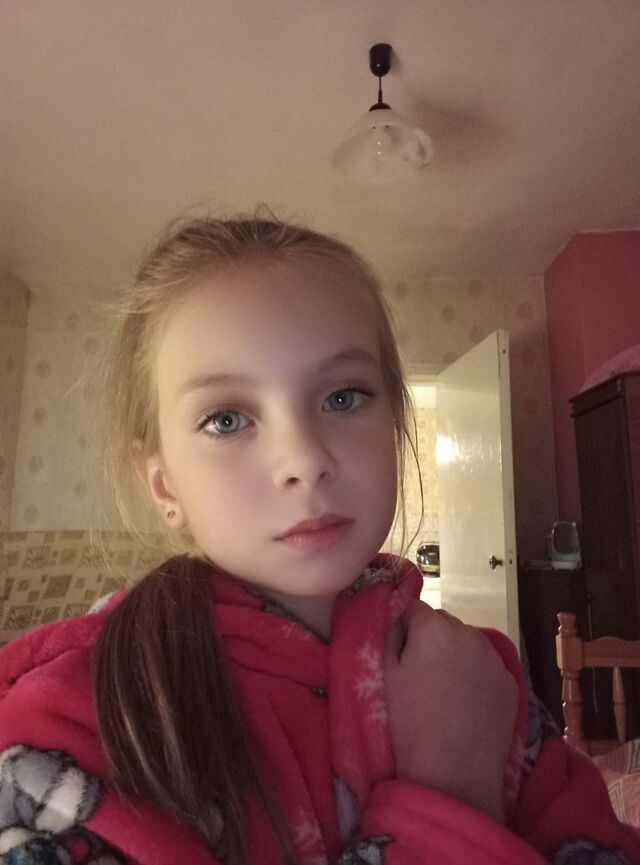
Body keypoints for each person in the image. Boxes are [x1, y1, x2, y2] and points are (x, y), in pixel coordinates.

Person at [0, 214, 637, 865]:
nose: (303, 458)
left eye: (343, 397)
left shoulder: (469, 671)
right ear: (164, 485)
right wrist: (450, 791)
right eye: (226, 419)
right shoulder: (76, 720)